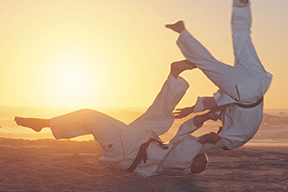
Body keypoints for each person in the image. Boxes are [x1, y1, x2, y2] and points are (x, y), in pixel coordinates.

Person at [15, 60, 221, 177]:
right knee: (161, 120)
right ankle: (174, 75)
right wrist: (205, 115)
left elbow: (181, 157)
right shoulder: (178, 153)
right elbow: (184, 131)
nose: (197, 154)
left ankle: (44, 125)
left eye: (198, 158)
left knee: (89, 117)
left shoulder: (180, 168)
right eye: (200, 154)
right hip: (140, 140)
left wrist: (203, 140)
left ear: (194, 166)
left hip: (127, 153)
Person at [166, 0, 272, 153]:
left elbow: (214, 102)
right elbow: (207, 143)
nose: (218, 129)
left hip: (258, 81)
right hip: (245, 92)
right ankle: (182, 32)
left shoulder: (226, 117)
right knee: (208, 64)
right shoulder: (231, 141)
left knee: (241, 36)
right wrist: (208, 141)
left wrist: (190, 110)